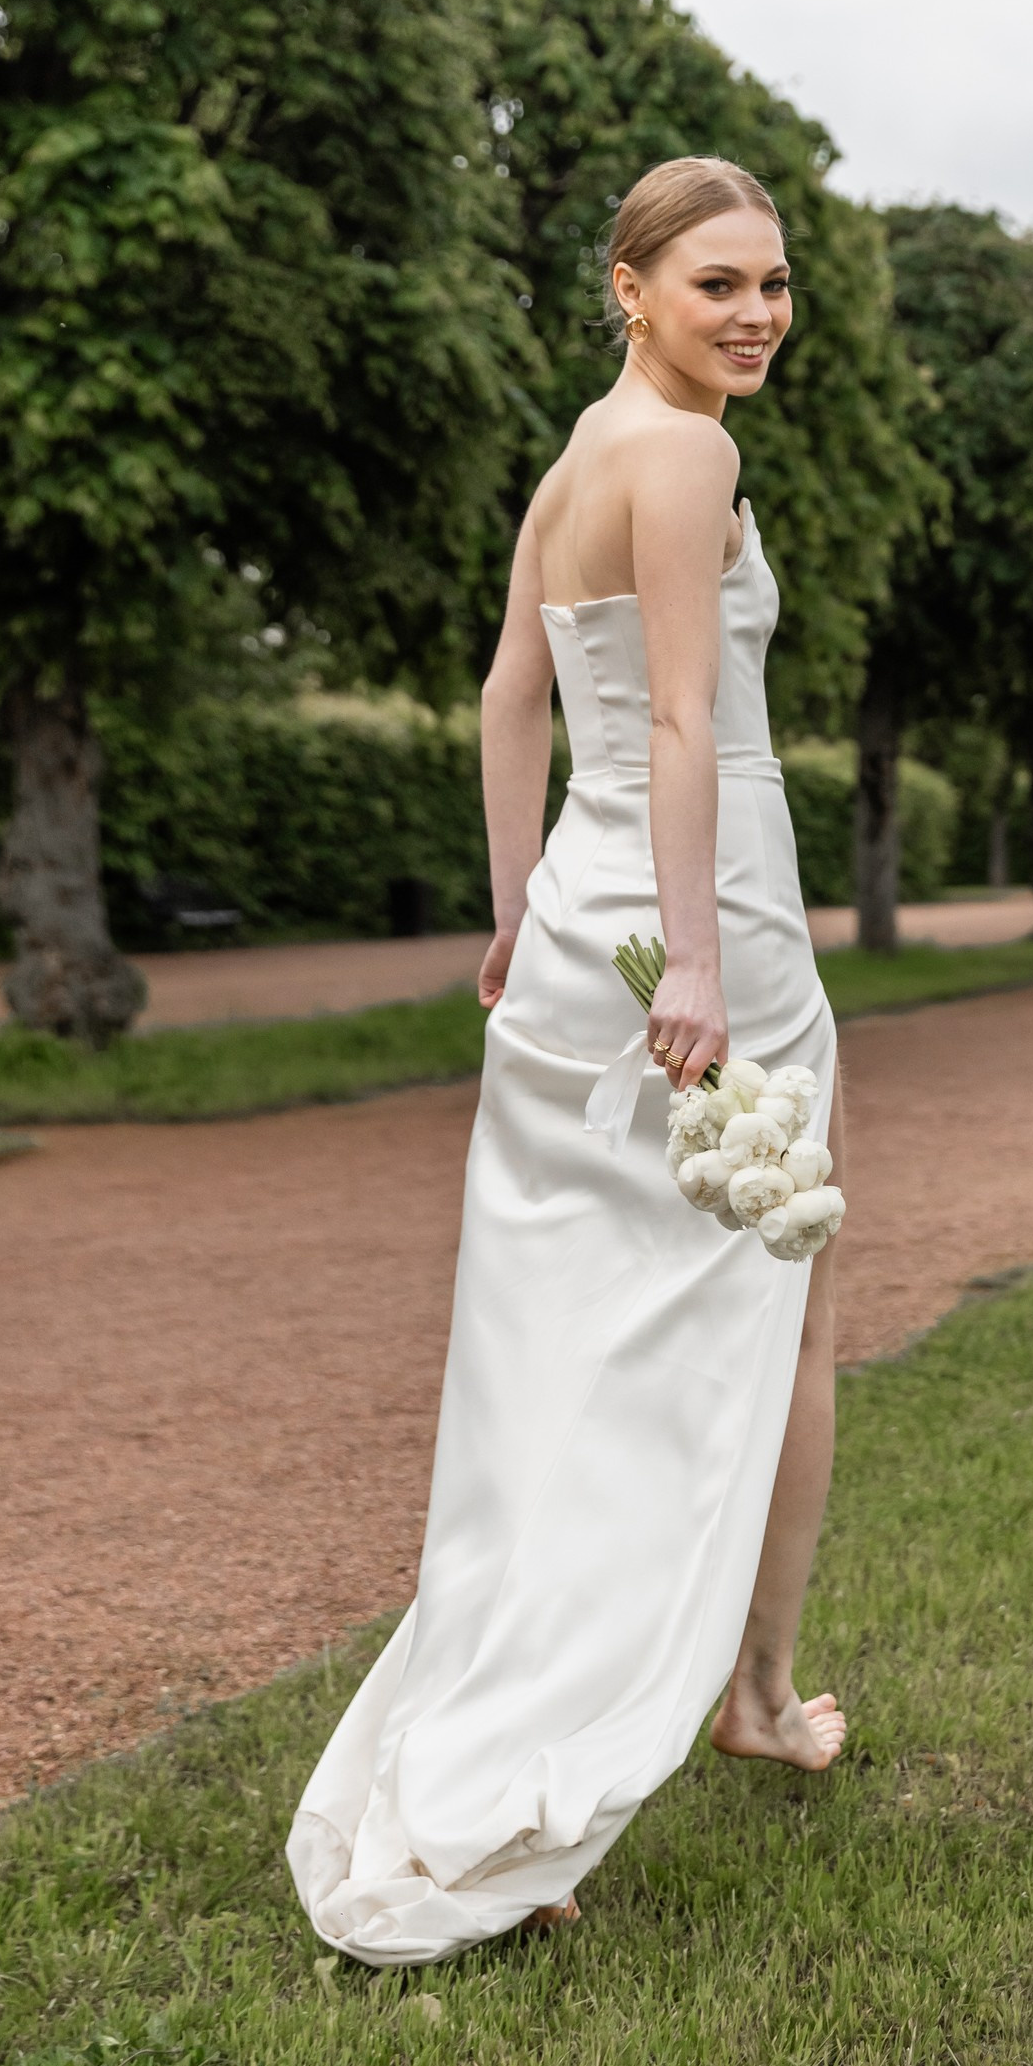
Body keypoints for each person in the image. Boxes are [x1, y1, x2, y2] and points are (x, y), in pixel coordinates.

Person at [287, 156, 847, 1965]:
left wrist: (522, 911)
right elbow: (686, 712)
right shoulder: (685, 457)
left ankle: (586, 1698)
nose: (756, 312)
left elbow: (513, 697)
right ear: (630, 286)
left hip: (585, 923)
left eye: (774, 283)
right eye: (718, 284)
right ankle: (747, 1693)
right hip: (702, 920)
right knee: (782, 1299)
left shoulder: (573, 462)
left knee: (563, 1340)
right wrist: (691, 953)